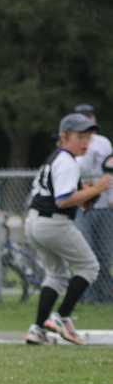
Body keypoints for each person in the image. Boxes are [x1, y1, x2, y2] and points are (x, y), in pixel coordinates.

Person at [24, 112, 110, 346]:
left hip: (34, 222)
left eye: (88, 138)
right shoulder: (67, 161)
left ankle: (37, 329)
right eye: (80, 137)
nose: (85, 142)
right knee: (89, 267)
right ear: (64, 137)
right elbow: (63, 200)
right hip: (53, 223)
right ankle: (61, 317)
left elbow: (64, 196)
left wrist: (88, 192)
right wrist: (97, 189)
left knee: (56, 275)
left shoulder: (55, 158)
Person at [73, 104, 113, 303]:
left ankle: (105, 295)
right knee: (86, 252)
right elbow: (79, 169)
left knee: (105, 254)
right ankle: (87, 297)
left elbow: (111, 169)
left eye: (89, 117)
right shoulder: (74, 145)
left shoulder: (103, 142)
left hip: (104, 206)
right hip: (84, 206)